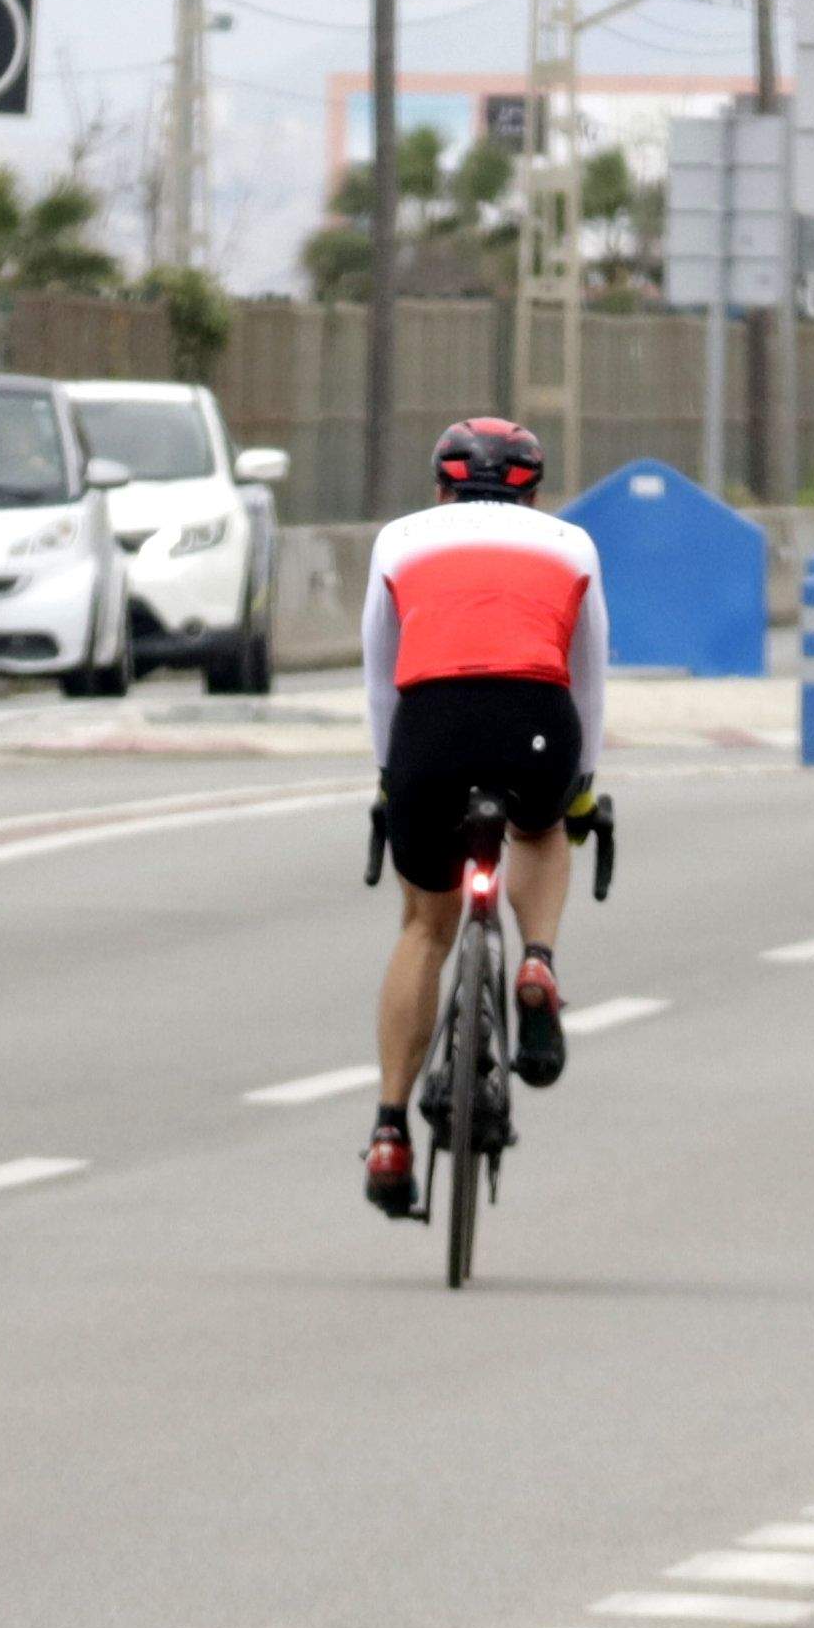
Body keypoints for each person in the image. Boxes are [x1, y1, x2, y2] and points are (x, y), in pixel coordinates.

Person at [356, 415, 605, 1218]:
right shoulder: (571, 546)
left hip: (430, 732)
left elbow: (380, 676)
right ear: (534, 492)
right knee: (543, 828)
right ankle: (537, 961)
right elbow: (588, 679)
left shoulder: (398, 540)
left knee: (426, 927)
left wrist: (393, 779)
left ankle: (391, 1128)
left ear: (440, 486)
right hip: (536, 723)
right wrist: (582, 788)